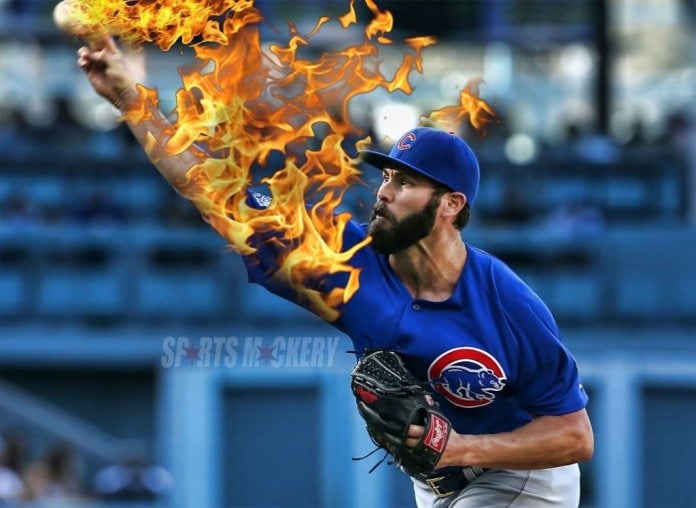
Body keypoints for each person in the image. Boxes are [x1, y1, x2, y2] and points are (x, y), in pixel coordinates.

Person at [77, 35, 594, 507]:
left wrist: (461, 448)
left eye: (405, 183)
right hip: (439, 483)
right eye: (386, 176)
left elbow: (574, 435)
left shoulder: (505, 302)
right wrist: (129, 99)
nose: (384, 192)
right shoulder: (343, 258)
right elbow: (213, 189)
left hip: (520, 478)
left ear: (450, 205)